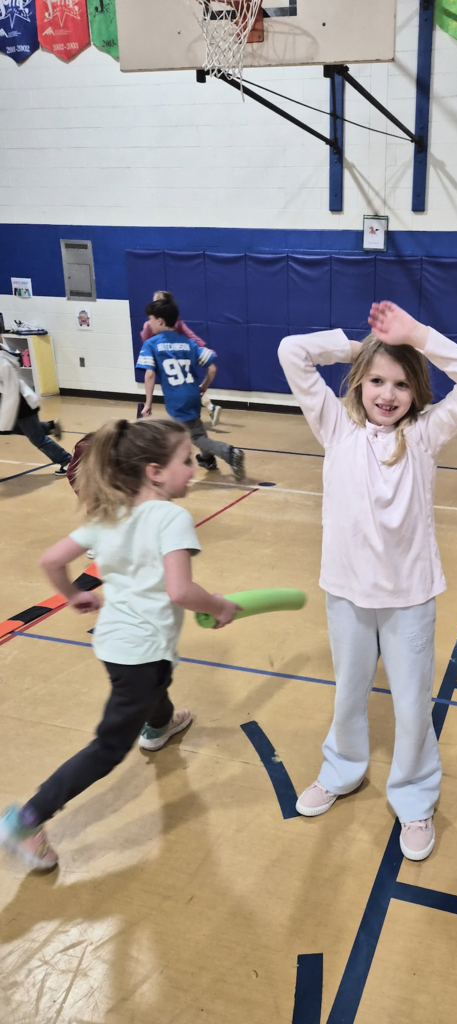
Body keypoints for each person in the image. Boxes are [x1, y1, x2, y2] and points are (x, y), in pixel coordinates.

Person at [278, 301, 457, 862]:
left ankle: (415, 797)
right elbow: (292, 351)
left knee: (410, 704)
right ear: (359, 382)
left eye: (400, 383)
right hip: (347, 592)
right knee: (348, 692)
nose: (386, 393)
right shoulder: (335, 427)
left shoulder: (425, 435)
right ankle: (342, 770)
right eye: (376, 379)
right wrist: (360, 346)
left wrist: (419, 335)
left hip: (409, 598)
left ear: (415, 391)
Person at [0, 418, 239, 870]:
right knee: (110, 744)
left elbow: (50, 561)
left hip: (113, 643)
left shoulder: (108, 515)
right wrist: (220, 605)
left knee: (154, 681)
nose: (192, 469)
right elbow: (181, 591)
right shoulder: (172, 517)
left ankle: (160, 723)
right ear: (154, 471)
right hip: (141, 650)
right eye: (185, 461)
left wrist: (74, 595)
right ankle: (27, 819)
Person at [137, 296, 245, 481]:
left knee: (194, 437)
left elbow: (149, 375)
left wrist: (147, 403)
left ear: (160, 321)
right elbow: (212, 368)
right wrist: (203, 387)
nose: (149, 323)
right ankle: (207, 459)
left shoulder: (152, 344)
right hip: (193, 393)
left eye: (150, 319)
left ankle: (229, 452)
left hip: (176, 399)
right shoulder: (188, 343)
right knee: (196, 428)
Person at [141, 291, 222, 427]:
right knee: (187, 385)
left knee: (177, 389)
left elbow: (145, 340)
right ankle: (209, 408)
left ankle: (206, 411)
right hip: (178, 357)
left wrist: (200, 349)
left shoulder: (151, 326)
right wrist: (200, 348)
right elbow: (190, 336)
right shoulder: (175, 323)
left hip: (164, 358)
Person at [0, 339, 70, 474]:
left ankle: (67, 461)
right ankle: (49, 426)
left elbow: (11, 392)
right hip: (13, 403)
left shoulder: (2, 362)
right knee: (12, 428)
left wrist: (6, 415)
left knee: (37, 439)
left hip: (21, 405)